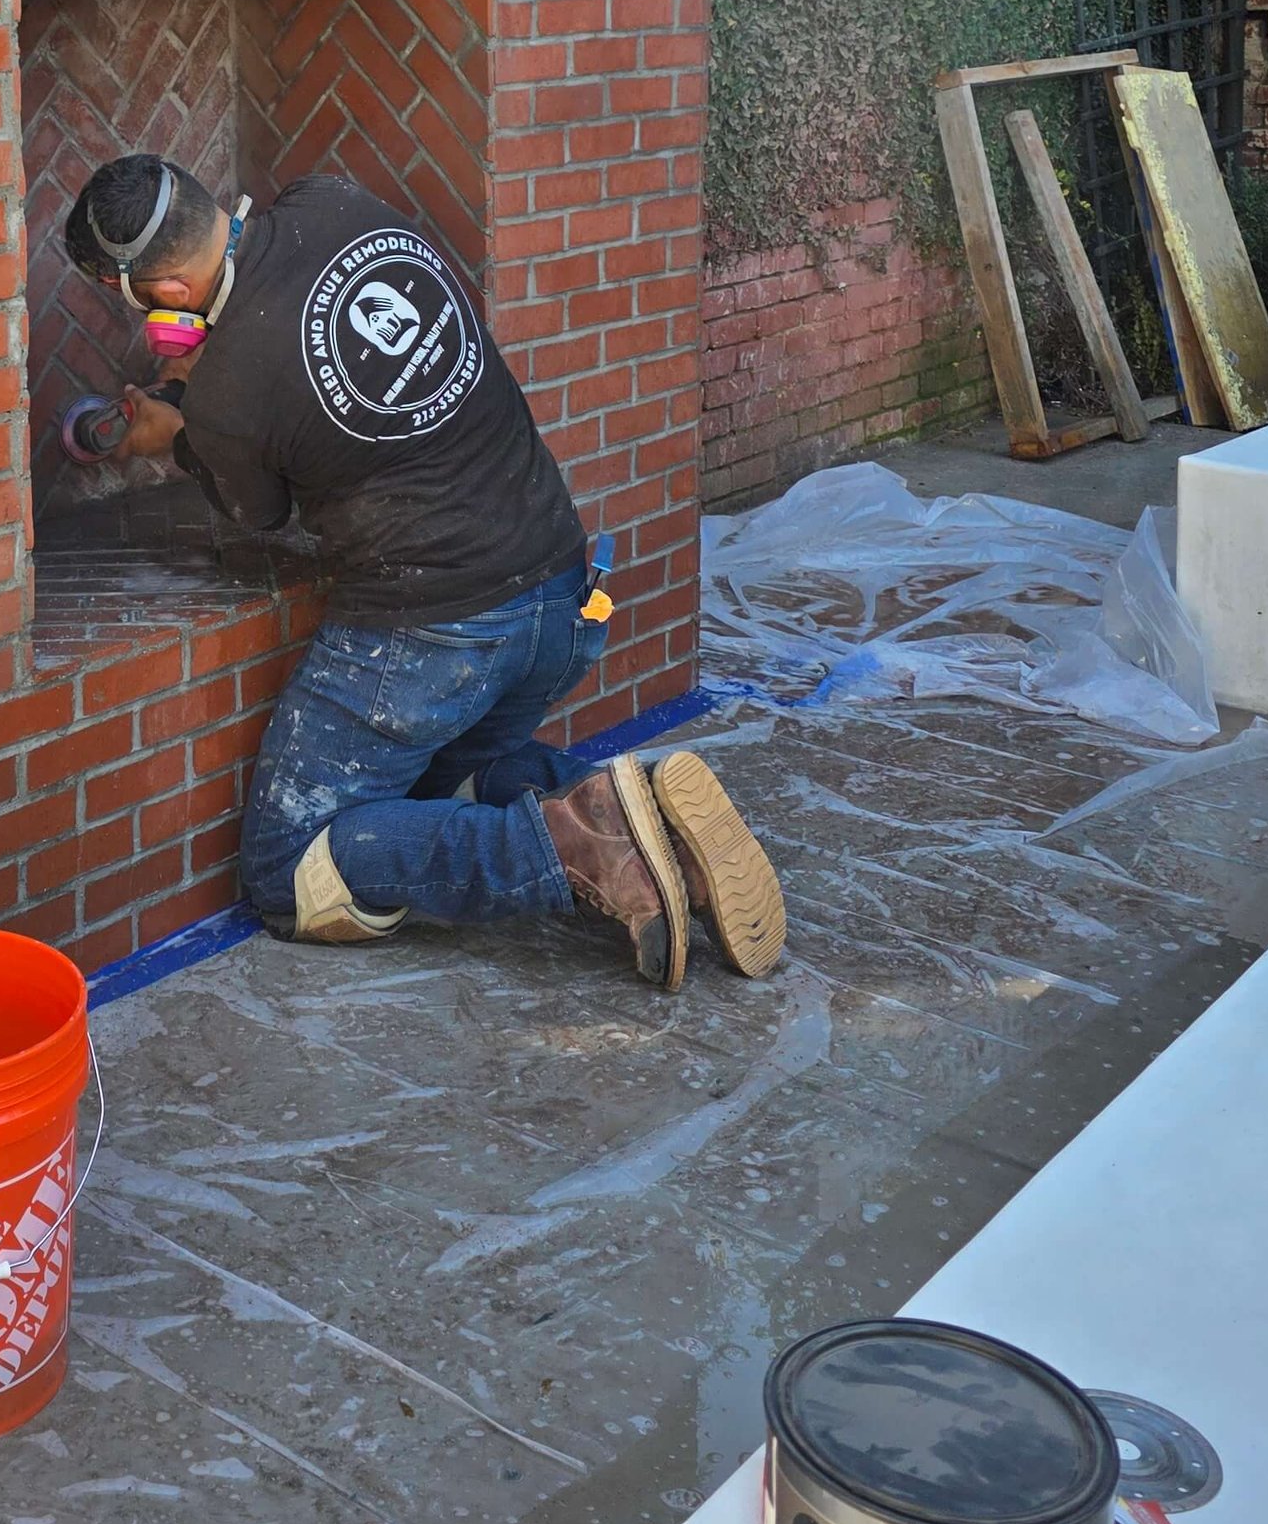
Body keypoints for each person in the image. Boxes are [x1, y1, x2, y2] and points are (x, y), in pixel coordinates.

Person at [60, 155, 786, 988]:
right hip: (558, 587)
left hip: (437, 634)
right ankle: (648, 820)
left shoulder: (227, 394)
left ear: (168, 297)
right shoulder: (332, 197)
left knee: (288, 873)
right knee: (443, 787)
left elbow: (259, 511)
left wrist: (176, 434)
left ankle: (572, 844)